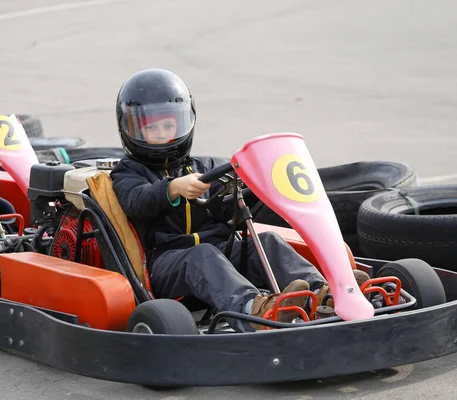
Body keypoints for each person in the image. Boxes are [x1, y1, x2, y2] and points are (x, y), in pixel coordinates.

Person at [110, 68, 369, 332]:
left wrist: (249, 193)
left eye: (169, 125)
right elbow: (137, 201)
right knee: (202, 254)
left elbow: (231, 217)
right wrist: (173, 188)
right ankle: (253, 310)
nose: (163, 134)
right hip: (165, 264)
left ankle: (323, 292)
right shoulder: (127, 172)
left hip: (219, 254)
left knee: (268, 242)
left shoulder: (207, 165)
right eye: (152, 128)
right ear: (131, 128)